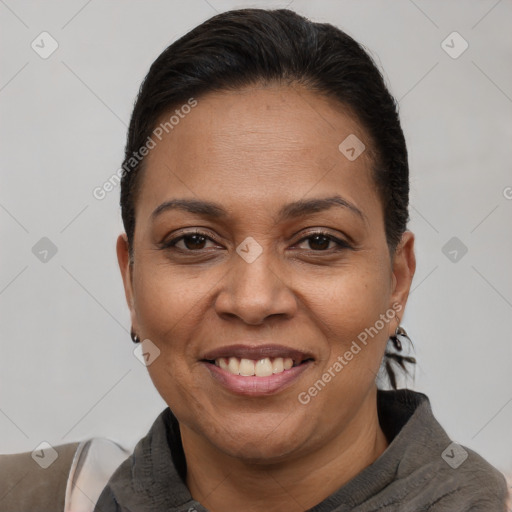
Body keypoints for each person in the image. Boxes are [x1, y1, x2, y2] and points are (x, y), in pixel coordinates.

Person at [0, 7, 508, 512]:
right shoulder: (35, 497)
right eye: (195, 241)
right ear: (130, 282)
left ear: (396, 281)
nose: (254, 300)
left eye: (318, 242)